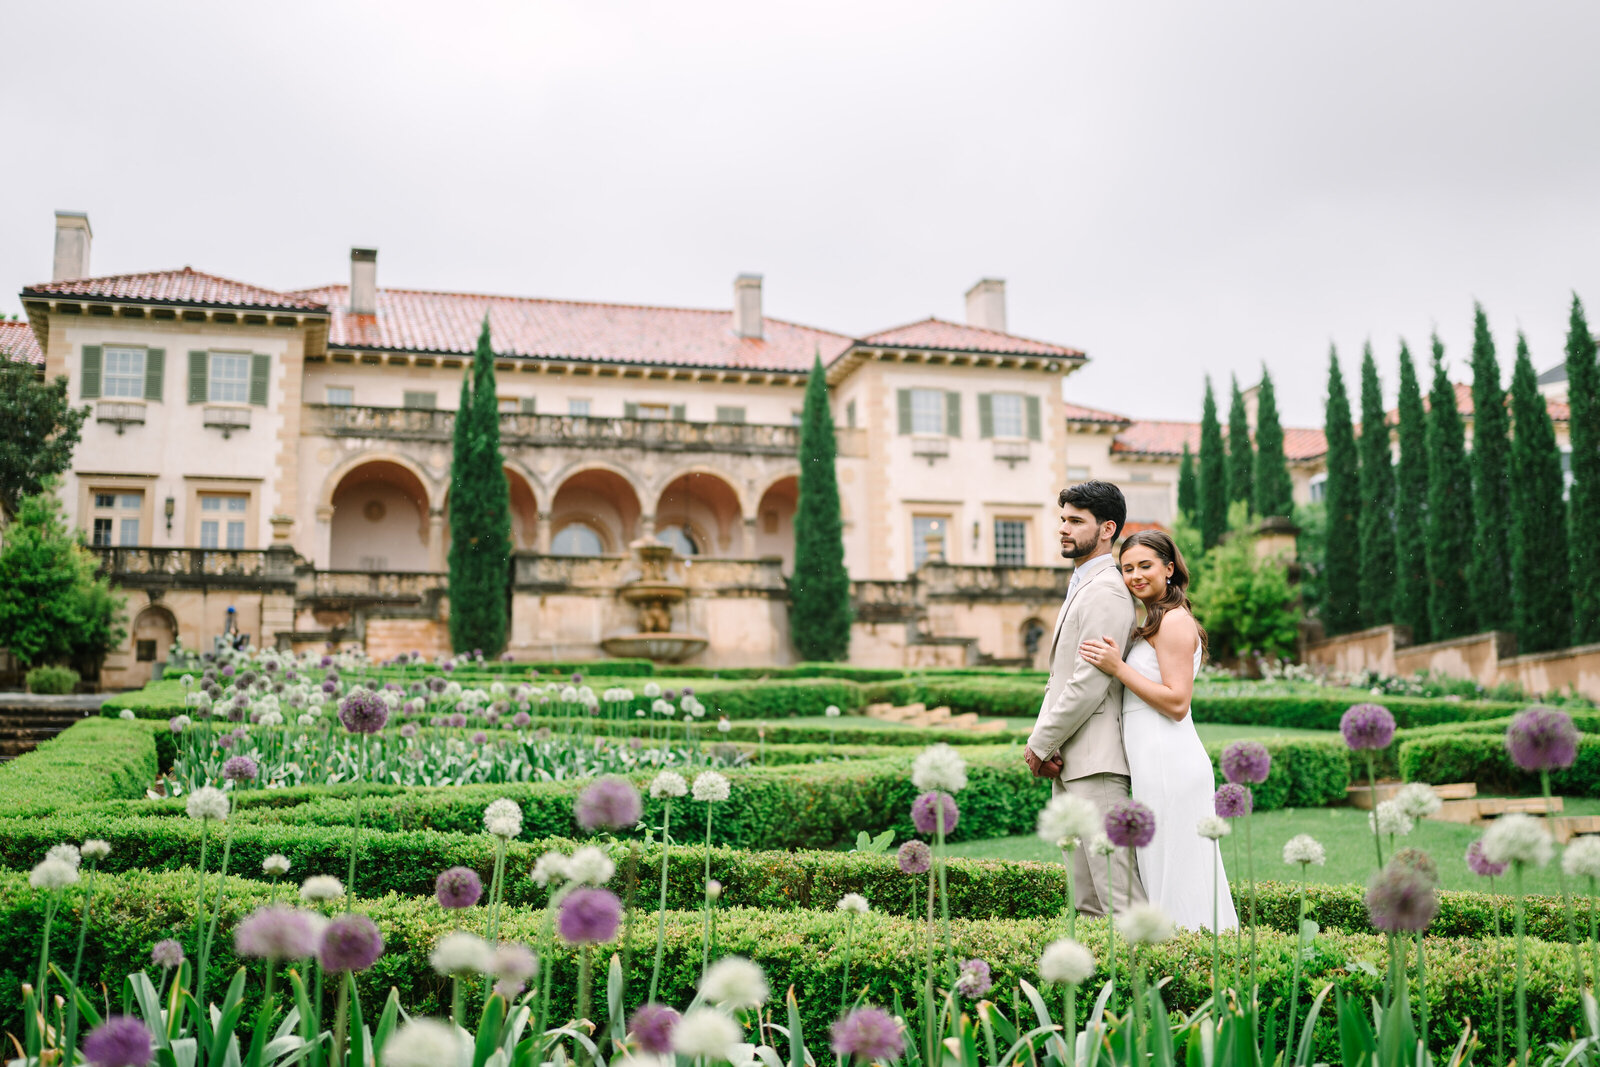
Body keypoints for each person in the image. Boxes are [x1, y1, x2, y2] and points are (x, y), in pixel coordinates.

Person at [1079, 529, 1239, 932]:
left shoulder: (1174, 622)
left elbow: (1176, 702)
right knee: (1161, 867)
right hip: (1154, 765)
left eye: (1145, 566)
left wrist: (1118, 667)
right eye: (1127, 568)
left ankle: (1192, 956)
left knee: (1176, 871)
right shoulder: (1152, 620)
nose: (1134, 576)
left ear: (1169, 569)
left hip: (1172, 764)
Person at [1025, 481, 1146, 916]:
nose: (1063, 529)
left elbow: (1087, 683)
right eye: (1063, 519)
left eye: (1076, 521)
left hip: (1098, 767)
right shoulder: (1081, 584)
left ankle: (1144, 983)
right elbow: (1058, 680)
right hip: (1072, 763)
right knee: (1087, 904)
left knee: (1119, 901)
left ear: (1107, 529)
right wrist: (1050, 743)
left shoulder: (1108, 590)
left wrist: (1039, 743)